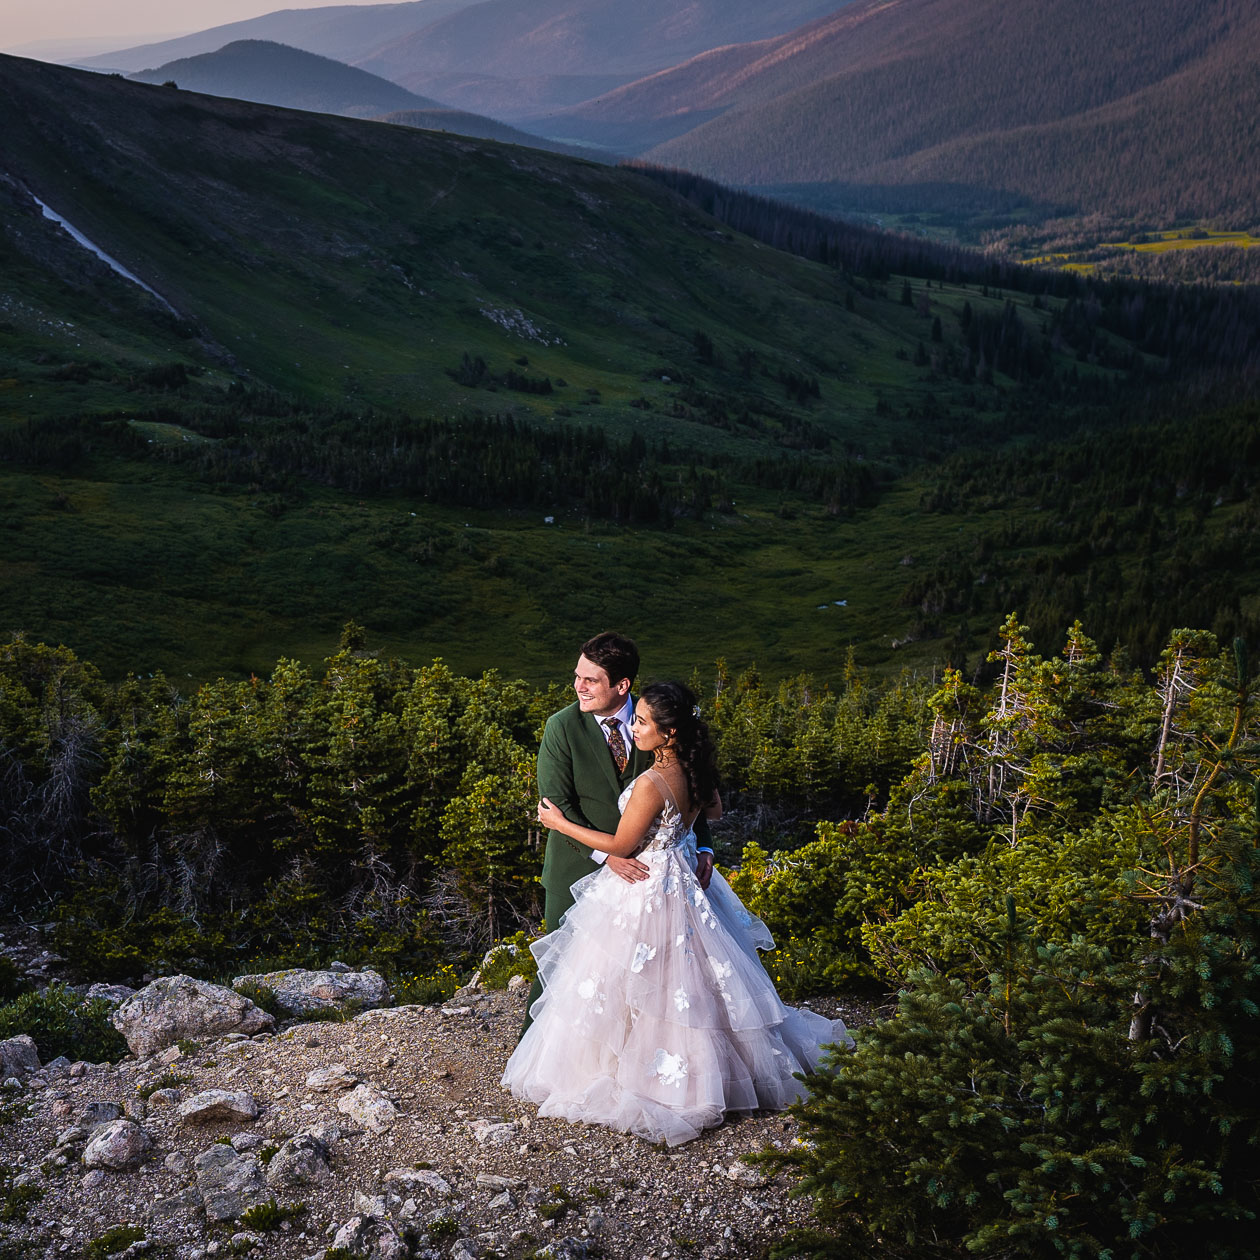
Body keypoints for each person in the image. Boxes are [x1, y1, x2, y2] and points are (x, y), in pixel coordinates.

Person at [503, 681, 849, 1147]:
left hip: (646, 884)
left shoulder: (651, 782)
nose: (636, 727)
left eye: (643, 722)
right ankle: (715, 1069)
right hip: (682, 877)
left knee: (639, 976)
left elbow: (623, 846)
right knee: (688, 977)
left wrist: (560, 823)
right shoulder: (693, 769)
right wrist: (689, 840)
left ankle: (652, 1075)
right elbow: (716, 809)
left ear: (668, 734)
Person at [521, 632, 713, 1034]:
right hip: (575, 866)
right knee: (562, 966)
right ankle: (536, 1052)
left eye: (590, 680)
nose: (578, 686)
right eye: (577, 676)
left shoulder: (654, 721)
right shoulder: (562, 727)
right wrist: (609, 855)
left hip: (648, 880)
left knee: (648, 971)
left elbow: (688, 783)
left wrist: (705, 847)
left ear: (621, 685)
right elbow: (557, 804)